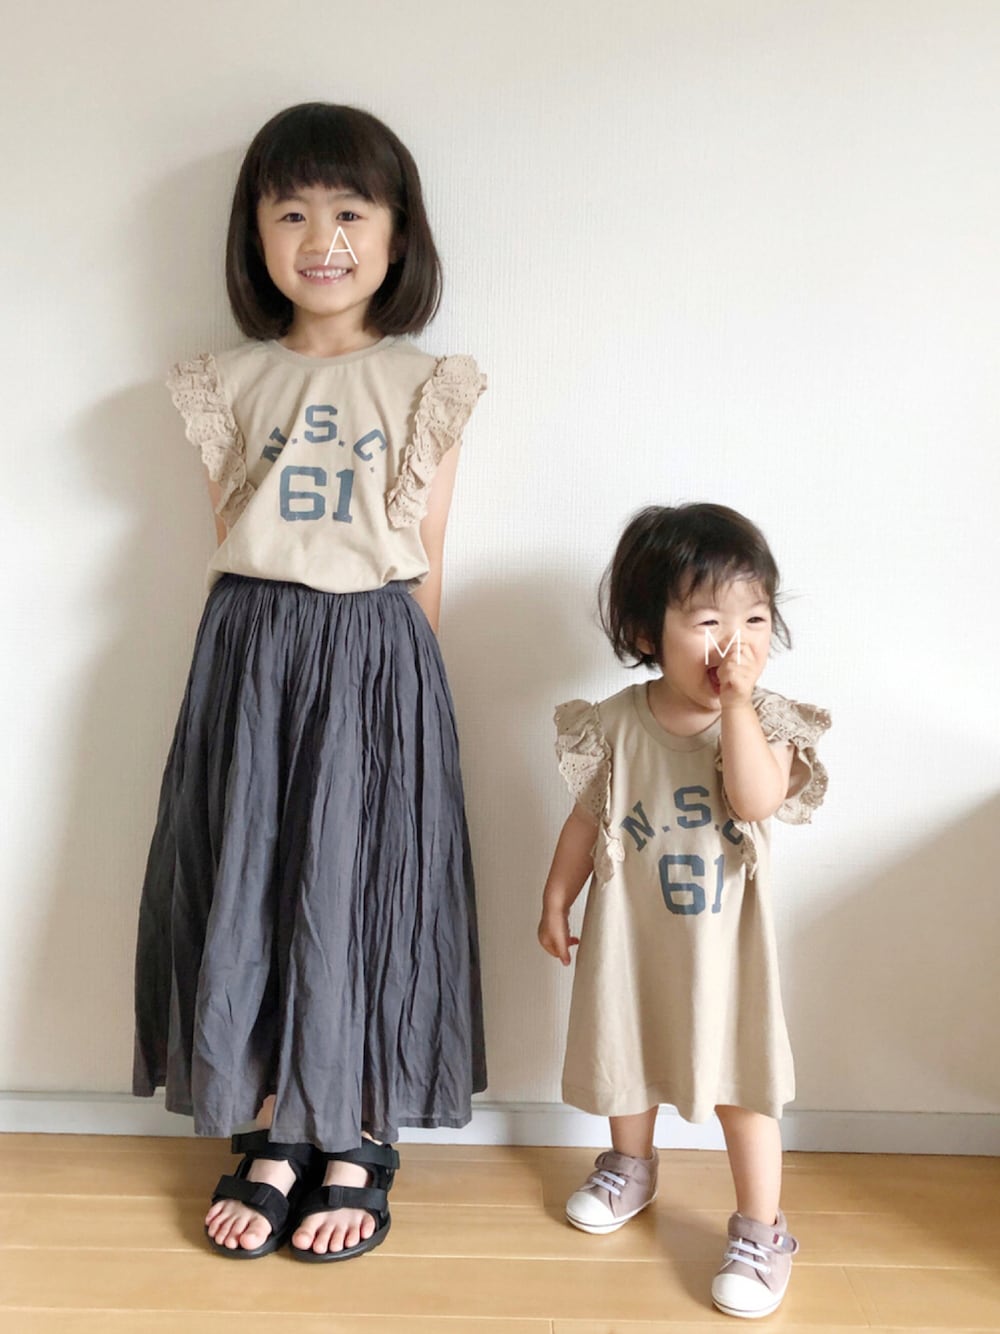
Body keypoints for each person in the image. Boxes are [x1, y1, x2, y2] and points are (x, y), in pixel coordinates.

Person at [133, 102, 487, 1263]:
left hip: (378, 654)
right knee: (260, 879)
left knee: (360, 887)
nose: (321, 238)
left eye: (349, 212)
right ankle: (276, 1122)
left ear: (397, 233)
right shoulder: (227, 381)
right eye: (290, 213)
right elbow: (229, 534)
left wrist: (411, 716)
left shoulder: (427, 383)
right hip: (252, 651)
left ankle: (357, 1130)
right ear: (255, 233)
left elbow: (427, 554)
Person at [537, 503, 829, 1318]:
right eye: (708, 622)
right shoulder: (616, 726)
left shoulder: (765, 723)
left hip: (727, 958)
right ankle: (631, 1166)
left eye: (754, 619)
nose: (734, 643)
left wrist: (736, 706)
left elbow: (755, 797)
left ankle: (761, 1229)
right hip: (633, 945)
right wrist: (557, 896)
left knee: (743, 1086)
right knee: (628, 1054)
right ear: (645, 633)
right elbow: (587, 822)